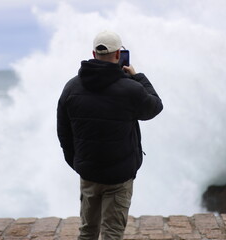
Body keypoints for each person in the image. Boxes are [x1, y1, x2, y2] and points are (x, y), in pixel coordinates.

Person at [57, 30, 163, 240]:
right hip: (119, 177)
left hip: (89, 174)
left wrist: (79, 163)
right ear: (118, 55)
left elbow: (63, 133)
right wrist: (138, 76)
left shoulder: (71, 87)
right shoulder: (131, 88)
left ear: (93, 54)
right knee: (112, 234)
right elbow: (155, 107)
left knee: (87, 231)